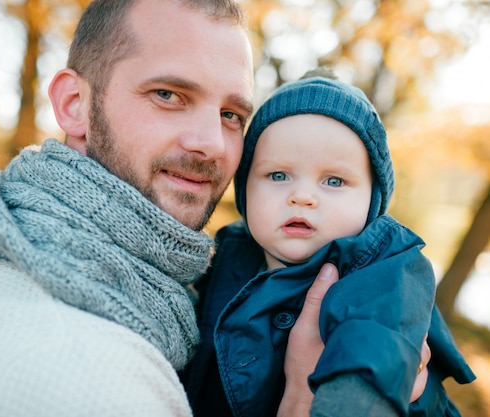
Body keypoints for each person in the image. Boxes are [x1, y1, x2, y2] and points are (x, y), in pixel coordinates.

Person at [0, 2, 352, 416]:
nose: (213, 143)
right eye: (169, 95)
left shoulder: (18, 267)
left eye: (231, 114)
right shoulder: (93, 377)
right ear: (75, 104)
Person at [182, 69, 476, 417]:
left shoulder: (387, 269)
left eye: (334, 181)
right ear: (245, 187)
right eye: (278, 175)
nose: (302, 196)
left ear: (372, 202)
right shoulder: (225, 254)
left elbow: (367, 366)